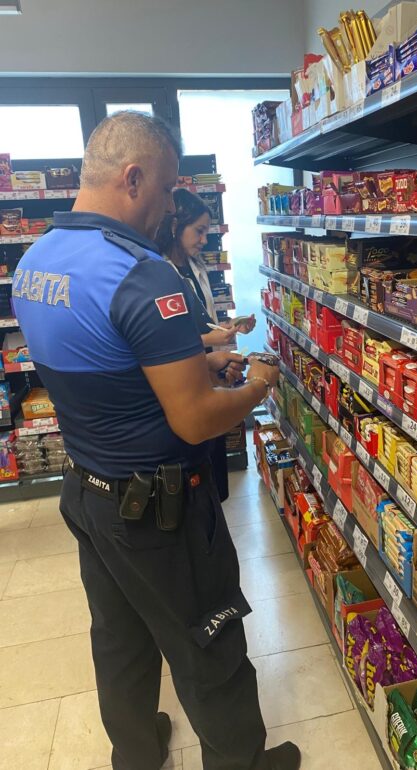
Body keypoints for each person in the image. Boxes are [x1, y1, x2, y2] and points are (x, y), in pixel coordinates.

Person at [13, 111, 300, 770]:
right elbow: (195, 420)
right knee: (209, 643)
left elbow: (110, 365)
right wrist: (257, 387)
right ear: (133, 177)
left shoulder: (37, 260)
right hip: (157, 512)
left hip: (87, 492)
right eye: (169, 190)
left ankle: (137, 753)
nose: (172, 207)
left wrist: (196, 363)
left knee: (120, 638)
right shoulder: (142, 274)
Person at [156, 189, 257, 501]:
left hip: (211, 375)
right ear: (175, 226)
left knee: (213, 469)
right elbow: (163, 341)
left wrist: (228, 327)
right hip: (184, 383)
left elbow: (204, 319)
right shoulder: (159, 273)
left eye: (207, 232)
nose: (204, 240)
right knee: (197, 471)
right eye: (198, 231)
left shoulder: (194, 266)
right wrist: (211, 340)